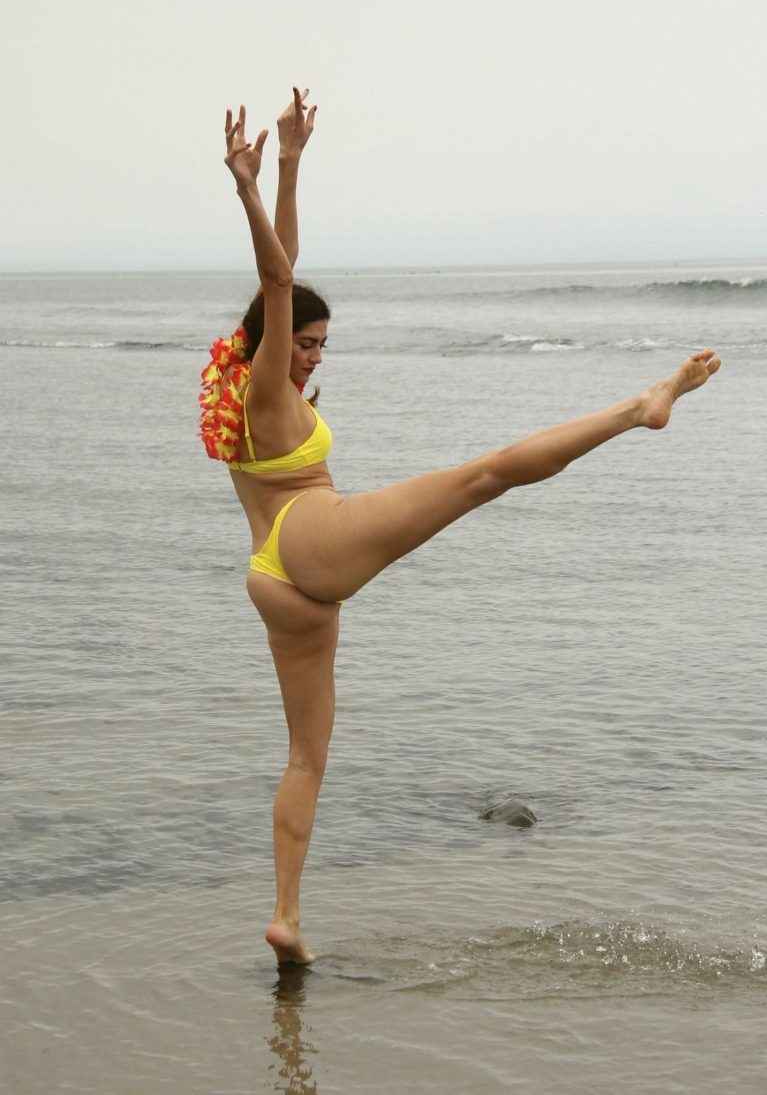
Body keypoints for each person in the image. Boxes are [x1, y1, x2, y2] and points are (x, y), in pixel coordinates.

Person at [200, 88, 721, 966]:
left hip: (274, 576)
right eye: (305, 342)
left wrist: (289, 165)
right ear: (272, 339)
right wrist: (249, 186)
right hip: (311, 537)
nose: (314, 355)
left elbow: (280, 275)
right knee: (485, 476)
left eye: (321, 344)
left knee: (307, 758)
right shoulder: (264, 385)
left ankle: (286, 916)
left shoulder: (238, 387)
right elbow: (278, 280)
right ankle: (640, 407)